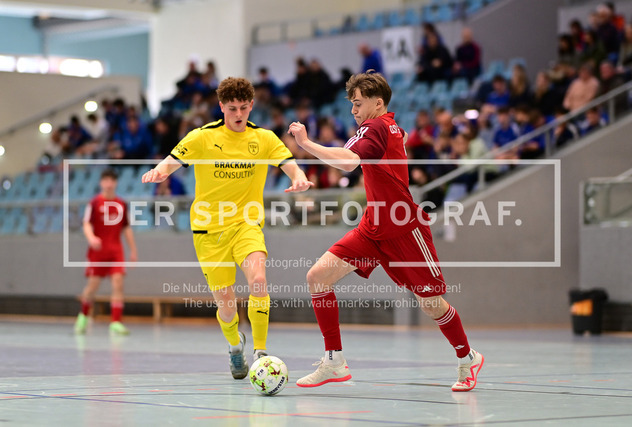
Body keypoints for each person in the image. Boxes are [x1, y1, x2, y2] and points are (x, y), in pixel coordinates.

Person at [288, 72, 483, 391]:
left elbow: (348, 163)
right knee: (317, 277)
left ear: (378, 103)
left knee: (431, 303)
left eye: (358, 103)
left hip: (404, 229)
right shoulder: (380, 127)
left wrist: (306, 144)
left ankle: (468, 357)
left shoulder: (377, 127)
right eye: (351, 103)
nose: (353, 109)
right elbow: (356, 156)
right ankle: (334, 361)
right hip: (373, 227)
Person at [141, 77, 313, 379]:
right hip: (209, 232)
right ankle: (235, 346)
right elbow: (171, 160)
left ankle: (260, 353)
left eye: (244, 108)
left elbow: (289, 164)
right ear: (221, 107)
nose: (238, 114)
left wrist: (297, 177)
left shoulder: (264, 139)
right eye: (232, 108)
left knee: (258, 280)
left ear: (251, 106)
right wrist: (159, 171)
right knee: (227, 306)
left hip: (246, 224)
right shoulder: (202, 137)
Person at [75, 169, 137, 336]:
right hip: (98, 252)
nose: (109, 184)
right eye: (106, 180)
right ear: (101, 183)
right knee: (92, 287)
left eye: (112, 181)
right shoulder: (94, 203)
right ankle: (83, 316)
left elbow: (127, 228)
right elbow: (86, 223)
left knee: (118, 284)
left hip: (116, 251)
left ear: (116, 183)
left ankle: (116, 322)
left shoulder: (121, 204)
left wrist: (133, 250)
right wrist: (91, 238)